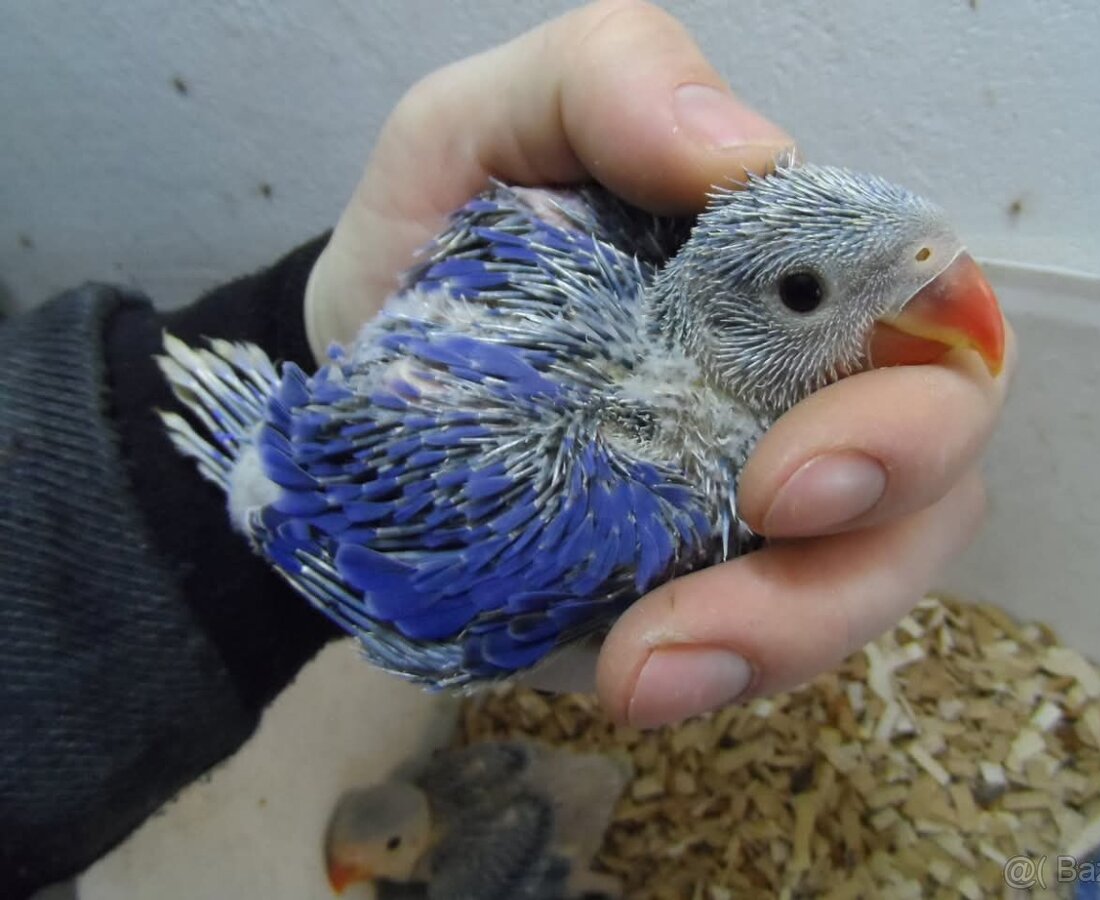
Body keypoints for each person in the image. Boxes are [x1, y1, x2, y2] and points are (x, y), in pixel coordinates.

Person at [0, 1, 1012, 895]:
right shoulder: (627, 498)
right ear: (724, 310)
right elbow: (340, 537)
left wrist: (295, 338)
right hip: (295, 472)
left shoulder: (615, 261)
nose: (942, 301)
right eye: (800, 293)